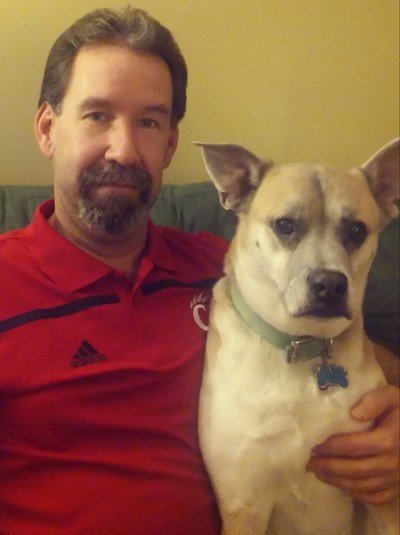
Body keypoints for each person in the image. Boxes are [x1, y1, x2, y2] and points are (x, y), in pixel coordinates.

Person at [0, 6, 398, 534]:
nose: (123, 148)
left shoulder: (228, 269)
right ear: (48, 129)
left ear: (169, 144)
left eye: (148, 122)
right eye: (97, 115)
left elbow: (349, 348)